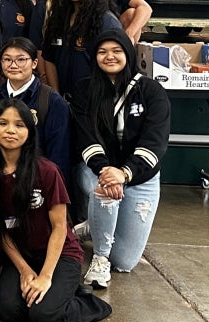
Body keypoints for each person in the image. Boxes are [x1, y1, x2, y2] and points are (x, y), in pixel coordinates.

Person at [0, 99, 113, 322]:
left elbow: (59, 228)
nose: (11, 130)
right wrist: (25, 270)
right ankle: (56, 293)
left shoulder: (46, 170)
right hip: (22, 255)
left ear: (29, 131)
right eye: (3, 123)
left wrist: (45, 276)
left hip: (60, 254)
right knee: (7, 309)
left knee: (45, 315)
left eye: (19, 125)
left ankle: (88, 302)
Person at [72, 30, 170, 290]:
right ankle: (100, 259)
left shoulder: (151, 90)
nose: (109, 56)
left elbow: (155, 142)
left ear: (128, 53)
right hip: (96, 169)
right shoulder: (84, 89)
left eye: (116, 51)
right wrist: (106, 171)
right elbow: (85, 137)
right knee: (105, 193)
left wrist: (125, 173)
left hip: (140, 176)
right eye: (102, 51)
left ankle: (93, 226)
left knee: (125, 261)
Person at [0, 37, 71, 185]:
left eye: (21, 60)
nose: (13, 65)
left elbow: (59, 153)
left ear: (34, 63)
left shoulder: (51, 101)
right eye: (7, 59)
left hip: (36, 182)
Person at [42, 0, 122, 99]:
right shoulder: (59, 18)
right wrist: (56, 97)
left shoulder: (106, 22)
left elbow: (116, 66)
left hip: (93, 103)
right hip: (64, 101)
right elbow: (49, 58)